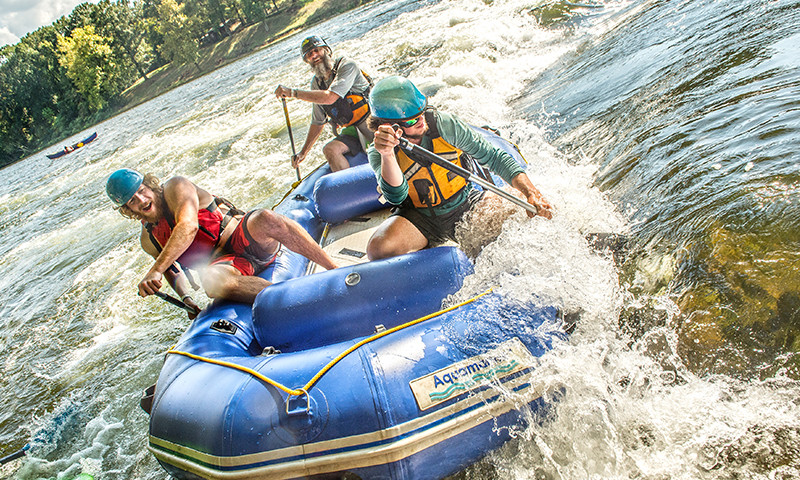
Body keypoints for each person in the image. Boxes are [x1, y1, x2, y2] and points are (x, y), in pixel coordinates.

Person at [364, 76, 554, 261]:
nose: (422, 121)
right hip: (420, 218)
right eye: (412, 121)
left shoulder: (445, 125)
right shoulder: (379, 152)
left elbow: (494, 157)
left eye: (421, 113)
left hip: (465, 203)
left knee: (528, 208)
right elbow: (396, 196)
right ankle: (429, 249)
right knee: (379, 249)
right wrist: (388, 154)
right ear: (388, 126)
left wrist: (531, 192)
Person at [106, 168, 338, 312]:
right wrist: (186, 298)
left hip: (247, 238)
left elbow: (188, 226)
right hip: (227, 265)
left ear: (150, 186)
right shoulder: (148, 240)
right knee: (212, 282)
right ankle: (302, 301)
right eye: (132, 201)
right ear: (128, 210)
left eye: (141, 190)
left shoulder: (176, 187)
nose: (141, 199)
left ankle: (333, 268)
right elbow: (171, 270)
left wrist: (154, 270)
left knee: (266, 218)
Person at [274, 36, 374, 172]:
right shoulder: (317, 83)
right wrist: (303, 153)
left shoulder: (347, 65)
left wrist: (293, 93)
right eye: (309, 54)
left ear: (327, 50)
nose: (314, 55)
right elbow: (318, 122)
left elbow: (330, 97)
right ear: (307, 61)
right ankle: (349, 188)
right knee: (330, 149)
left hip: (373, 123)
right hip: (353, 130)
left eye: (317, 50)